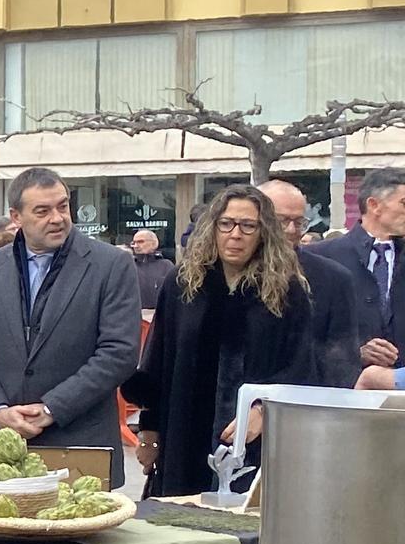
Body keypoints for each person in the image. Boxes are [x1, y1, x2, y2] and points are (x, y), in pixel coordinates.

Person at [126, 184, 319, 497]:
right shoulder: (183, 283)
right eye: (226, 224)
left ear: (263, 232)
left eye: (248, 225)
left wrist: (264, 410)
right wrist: (149, 430)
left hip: (254, 442)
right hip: (185, 435)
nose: (236, 234)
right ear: (212, 227)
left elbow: (299, 367)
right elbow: (158, 360)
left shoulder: (286, 290)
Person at [0, 167, 142, 487]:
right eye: (42, 211)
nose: (57, 218)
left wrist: (52, 408)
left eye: (63, 206)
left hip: (82, 447)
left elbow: (119, 353)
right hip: (8, 452)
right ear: (16, 216)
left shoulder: (111, 265)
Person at [258, 179, 362, 387]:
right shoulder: (226, 272)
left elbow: (341, 363)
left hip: (304, 404)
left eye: (299, 222)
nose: (291, 230)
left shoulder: (333, 278)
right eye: (282, 220)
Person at [307, 166, 405, 377]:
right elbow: (304, 337)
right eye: (404, 203)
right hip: (342, 394)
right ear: (374, 205)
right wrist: (353, 353)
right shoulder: (321, 257)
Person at [129, 229, 175, 312]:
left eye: (140, 242)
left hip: (160, 315)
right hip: (134, 315)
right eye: (134, 243)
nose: (136, 246)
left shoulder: (166, 266)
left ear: (153, 243)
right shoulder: (129, 266)